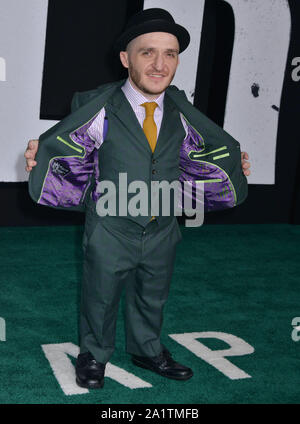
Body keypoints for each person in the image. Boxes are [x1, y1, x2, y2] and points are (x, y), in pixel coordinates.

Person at [25, 8, 251, 389]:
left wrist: (230, 164)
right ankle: (93, 356)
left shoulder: (182, 108)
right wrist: (41, 153)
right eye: (148, 52)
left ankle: (147, 349)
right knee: (100, 296)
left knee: (153, 294)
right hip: (111, 224)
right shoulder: (96, 104)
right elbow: (70, 143)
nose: (161, 65)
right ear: (126, 58)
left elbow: (203, 149)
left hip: (163, 224)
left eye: (171, 53)